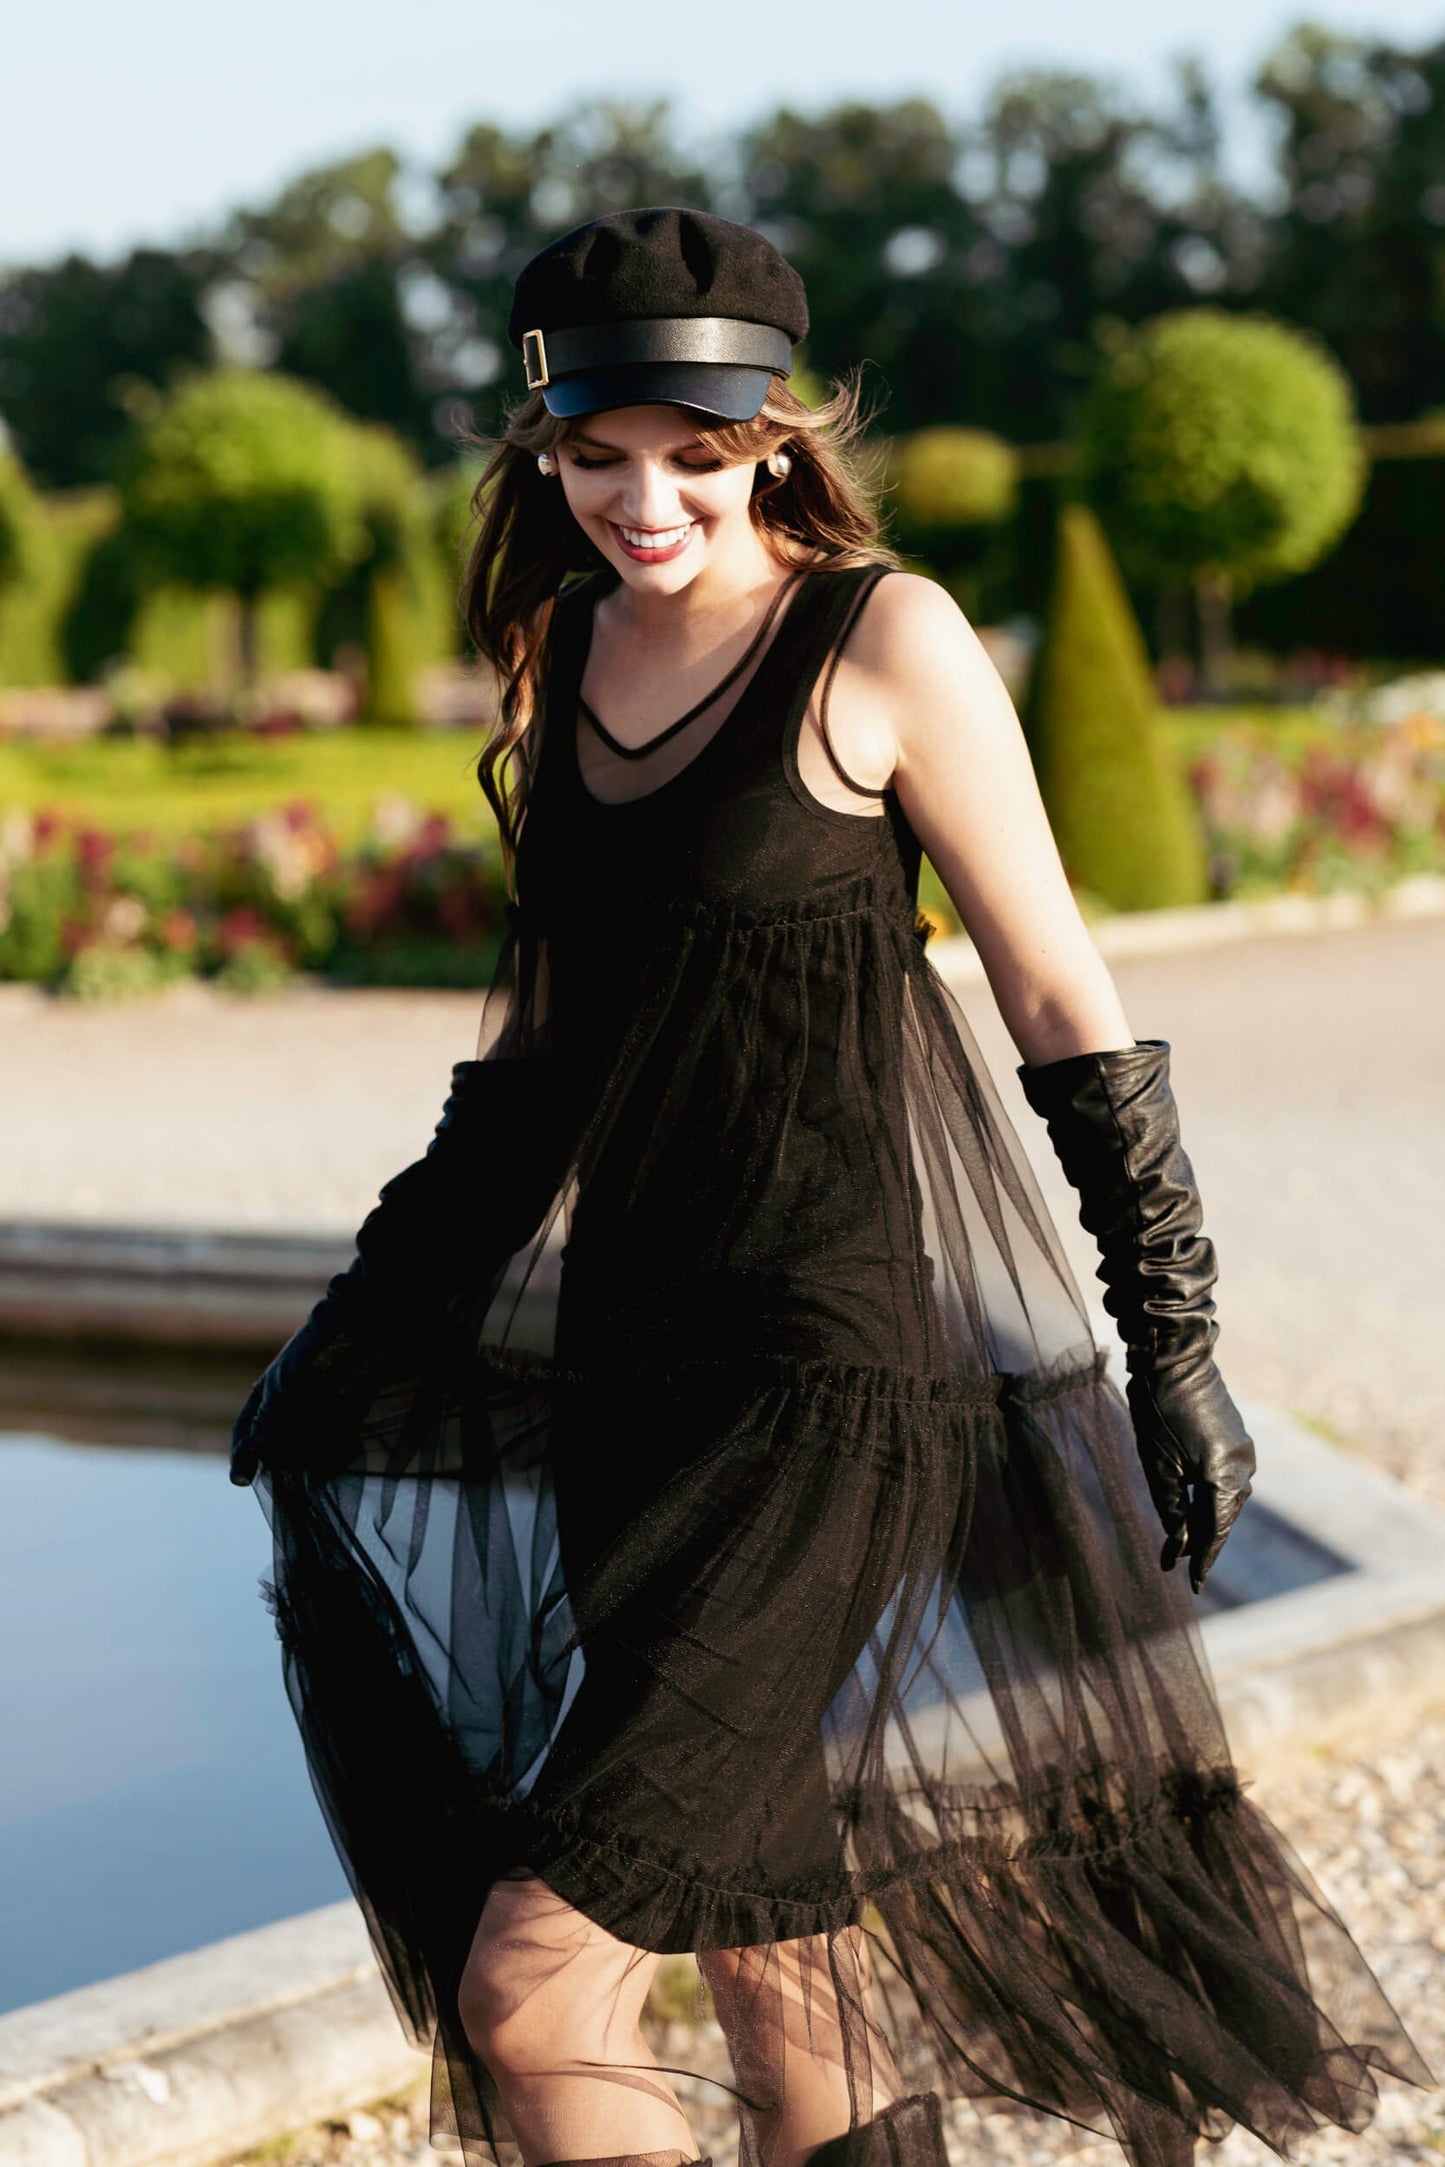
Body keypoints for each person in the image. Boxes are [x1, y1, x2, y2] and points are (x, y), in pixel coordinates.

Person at [232, 207, 1431, 2167]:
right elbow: (537, 1077)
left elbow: (1060, 994)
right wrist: (359, 1323)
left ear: (774, 434)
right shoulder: (564, 654)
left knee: (530, 1992)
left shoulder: (882, 638)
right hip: (630, 1377)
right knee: (780, 1949)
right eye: (596, 455)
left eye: (692, 455)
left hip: (827, 1381)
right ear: (543, 447)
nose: (642, 502)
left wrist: (1175, 1339)